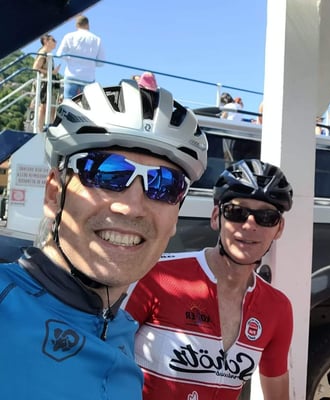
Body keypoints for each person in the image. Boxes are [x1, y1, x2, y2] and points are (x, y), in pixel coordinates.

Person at [0, 79, 208, 399]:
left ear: (175, 219)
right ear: (54, 193)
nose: (132, 207)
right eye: (106, 172)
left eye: (164, 184)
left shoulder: (122, 331)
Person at [124, 159, 295, 400]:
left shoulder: (277, 308)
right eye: (237, 212)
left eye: (266, 217)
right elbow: (102, 362)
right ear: (216, 217)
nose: (250, 225)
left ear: (279, 228)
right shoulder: (157, 276)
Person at [56, 15, 106, 99]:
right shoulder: (97, 39)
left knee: (69, 102)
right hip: (88, 78)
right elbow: (101, 63)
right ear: (88, 25)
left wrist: (69, 59)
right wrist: (91, 63)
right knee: (87, 103)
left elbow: (59, 54)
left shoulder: (69, 36)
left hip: (71, 76)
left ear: (77, 25)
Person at [32, 33, 61, 124]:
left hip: (47, 84)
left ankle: (45, 127)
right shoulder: (43, 53)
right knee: (44, 107)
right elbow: (35, 67)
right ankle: (41, 129)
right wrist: (51, 72)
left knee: (48, 108)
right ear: (46, 41)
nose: (55, 42)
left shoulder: (47, 54)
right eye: (53, 40)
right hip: (43, 84)